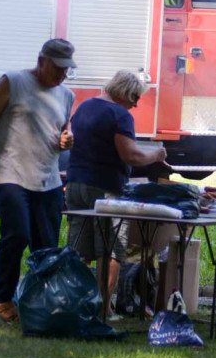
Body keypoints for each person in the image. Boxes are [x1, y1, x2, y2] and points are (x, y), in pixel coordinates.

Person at [0, 39, 76, 324]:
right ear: (41, 60)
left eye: (66, 70)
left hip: (48, 178)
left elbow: (63, 128)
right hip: (11, 173)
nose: (61, 75)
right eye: (57, 68)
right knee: (16, 235)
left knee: (47, 245)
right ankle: (1, 296)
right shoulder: (12, 82)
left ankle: (40, 300)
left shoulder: (66, 95)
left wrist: (67, 138)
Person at [65, 71, 169, 314]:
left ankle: (76, 304)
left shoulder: (85, 106)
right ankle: (103, 308)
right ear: (124, 92)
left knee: (79, 248)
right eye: (135, 96)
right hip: (105, 190)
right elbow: (129, 155)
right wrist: (156, 155)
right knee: (110, 249)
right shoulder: (120, 115)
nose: (136, 103)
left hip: (76, 185)